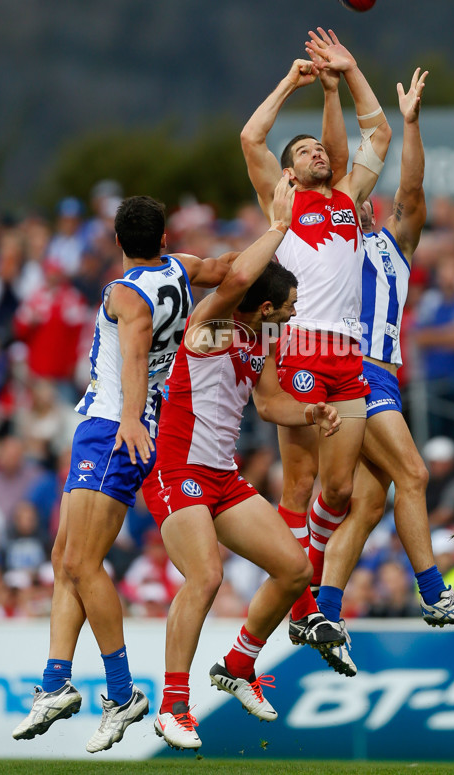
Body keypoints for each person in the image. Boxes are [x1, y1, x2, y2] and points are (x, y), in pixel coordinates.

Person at [13, 196, 234, 753]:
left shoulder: (125, 291)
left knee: (83, 562)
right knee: (67, 556)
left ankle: (121, 693)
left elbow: (135, 358)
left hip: (115, 425)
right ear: (164, 238)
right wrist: (279, 226)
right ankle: (56, 682)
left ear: (117, 242)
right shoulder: (181, 268)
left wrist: (131, 419)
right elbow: (229, 268)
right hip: (102, 422)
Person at [142, 176, 341, 750]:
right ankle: (173, 706)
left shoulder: (263, 337)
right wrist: (277, 228)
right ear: (266, 306)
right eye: (288, 307)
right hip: (176, 470)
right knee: (205, 577)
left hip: (222, 477)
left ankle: (238, 665)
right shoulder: (209, 328)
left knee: (296, 569)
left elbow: (270, 400)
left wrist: (311, 413)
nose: (294, 315)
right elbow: (236, 280)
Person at [314, 68, 454, 677]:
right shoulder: (327, 249)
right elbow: (334, 167)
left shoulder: (394, 247)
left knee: (367, 508)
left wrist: (411, 124)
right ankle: (435, 594)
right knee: (414, 474)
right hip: (356, 374)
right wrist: (336, 97)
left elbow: (412, 193)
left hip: (381, 378)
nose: (360, 203)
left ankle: (327, 611)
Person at [240, 28, 391, 651]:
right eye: (301, 152)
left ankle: (314, 591)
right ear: (289, 170)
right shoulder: (284, 203)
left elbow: (377, 134)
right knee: (298, 486)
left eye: (318, 150)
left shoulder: (349, 198)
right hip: (301, 348)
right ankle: (306, 602)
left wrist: (345, 76)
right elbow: (250, 138)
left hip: (348, 357)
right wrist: (291, 83)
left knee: (339, 490)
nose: (315, 155)